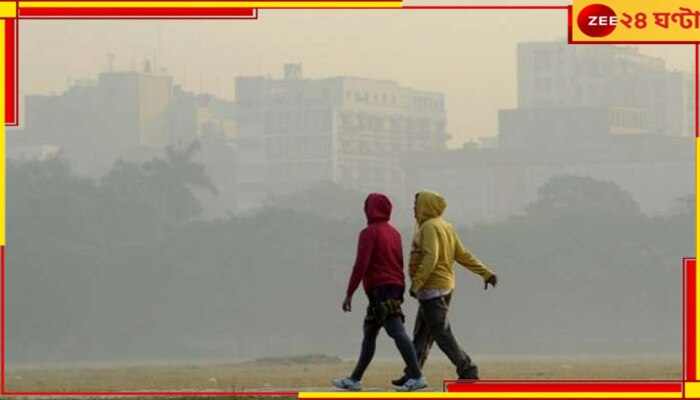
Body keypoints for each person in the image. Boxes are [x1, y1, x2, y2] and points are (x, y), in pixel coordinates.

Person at [392, 190, 497, 386]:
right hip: (444, 286)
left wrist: (417, 284)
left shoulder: (429, 227)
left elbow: (430, 256)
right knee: (423, 333)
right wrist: (485, 272)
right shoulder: (445, 226)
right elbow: (462, 254)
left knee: (441, 333)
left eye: (417, 205)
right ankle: (412, 373)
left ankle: (467, 369)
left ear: (426, 206)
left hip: (432, 287)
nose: (414, 209)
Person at [332, 193, 428, 392]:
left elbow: (361, 264)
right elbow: (399, 262)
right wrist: (401, 287)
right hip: (392, 286)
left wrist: (350, 292)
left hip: (381, 289)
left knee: (396, 331)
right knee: (369, 332)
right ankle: (354, 379)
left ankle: (417, 376)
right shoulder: (394, 233)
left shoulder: (368, 233)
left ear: (370, 209)